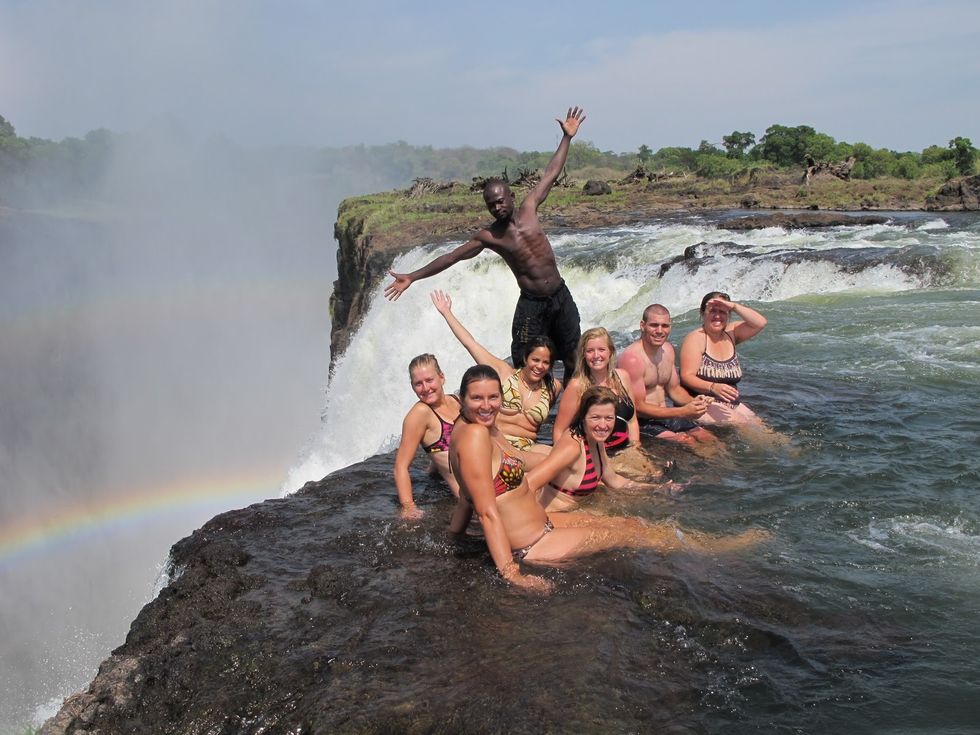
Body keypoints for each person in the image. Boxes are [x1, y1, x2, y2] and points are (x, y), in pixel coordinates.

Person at [447, 365, 767, 591]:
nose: (487, 405)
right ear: (462, 398)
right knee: (635, 534)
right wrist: (511, 574)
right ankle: (716, 549)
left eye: (493, 397)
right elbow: (487, 511)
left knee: (626, 524)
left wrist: (454, 536)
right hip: (531, 544)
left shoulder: (480, 428)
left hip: (543, 523)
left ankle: (702, 543)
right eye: (477, 398)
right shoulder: (475, 435)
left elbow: (467, 493)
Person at [385, 108, 586, 377]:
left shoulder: (529, 208)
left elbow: (550, 172)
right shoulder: (489, 236)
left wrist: (566, 138)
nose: (497, 207)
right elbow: (451, 257)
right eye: (491, 204)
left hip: (560, 295)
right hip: (532, 304)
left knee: (573, 353)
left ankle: (576, 411)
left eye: (501, 200)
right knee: (526, 362)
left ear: (511, 196)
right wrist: (412, 276)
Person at [430, 289, 560, 454]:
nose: (539, 366)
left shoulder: (553, 386)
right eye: (535, 360)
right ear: (526, 358)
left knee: (566, 460)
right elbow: (470, 343)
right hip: (496, 443)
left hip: (528, 447)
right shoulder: (504, 373)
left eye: (545, 362)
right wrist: (447, 313)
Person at [527, 387, 668, 513]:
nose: (603, 425)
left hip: (577, 511)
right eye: (595, 418)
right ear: (583, 417)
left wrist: (656, 488)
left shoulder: (595, 440)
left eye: (609, 418)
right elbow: (529, 483)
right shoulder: (572, 447)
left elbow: (614, 481)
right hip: (553, 515)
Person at [617, 304, 717, 446]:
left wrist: (695, 403)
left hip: (666, 414)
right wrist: (682, 411)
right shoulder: (632, 359)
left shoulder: (668, 350)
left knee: (708, 438)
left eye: (664, 326)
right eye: (654, 325)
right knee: (686, 441)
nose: (659, 331)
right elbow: (637, 407)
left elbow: (674, 390)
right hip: (642, 421)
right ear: (642, 325)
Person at [679, 292, 769, 428]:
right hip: (702, 401)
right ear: (703, 313)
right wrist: (712, 387)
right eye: (712, 311)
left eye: (722, 311)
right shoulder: (695, 339)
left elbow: (760, 323)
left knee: (763, 428)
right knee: (743, 425)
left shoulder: (731, 333)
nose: (717, 316)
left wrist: (733, 306)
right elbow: (686, 376)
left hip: (730, 403)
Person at [393, 354, 461, 519]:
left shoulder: (456, 400)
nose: (425, 388)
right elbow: (400, 467)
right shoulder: (420, 414)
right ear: (413, 387)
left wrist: (434, 467)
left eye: (429, 380)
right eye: (418, 384)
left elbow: (443, 444)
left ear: (441, 377)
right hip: (473, 494)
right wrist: (408, 506)